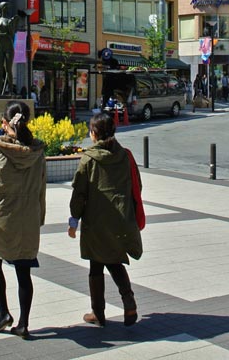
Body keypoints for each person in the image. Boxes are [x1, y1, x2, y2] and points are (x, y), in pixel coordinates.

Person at [68, 112, 142, 327]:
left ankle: (98, 312)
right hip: (121, 218)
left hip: (96, 222)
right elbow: (137, 185)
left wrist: (74, 220)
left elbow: (79, 193)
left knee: (96, 265)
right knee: (115, 260)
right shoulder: (125, 155)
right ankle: (129, 304)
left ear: (94, 134)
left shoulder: (89, 159)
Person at [0, 101, 46, 339]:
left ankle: (4, 314)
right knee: (24, 271)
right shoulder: (38, 150)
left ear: (5, 123)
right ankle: (24, 323)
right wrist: (39, 216)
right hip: (27, 215)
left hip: (1, 216)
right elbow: (42, 188)